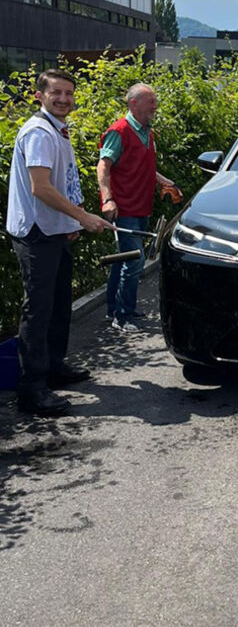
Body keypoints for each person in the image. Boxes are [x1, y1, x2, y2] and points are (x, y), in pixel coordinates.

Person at [5, 69, 113, 415]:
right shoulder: (39, 132)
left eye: (69, 92)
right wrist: (83, 217)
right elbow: (41, 188)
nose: (64, 99)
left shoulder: (57, 129)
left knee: (58, 303)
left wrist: (69, 222)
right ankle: (32, 389)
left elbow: (61, 184)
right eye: (56, 93)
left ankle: (53, 366)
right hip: (36, 233)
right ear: (40, 96)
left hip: (54, 230)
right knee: (38, 310)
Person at [97, 83, 182, 332]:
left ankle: (115, 308)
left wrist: (164, 181)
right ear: (133, 103)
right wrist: (107, 199)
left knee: (123, 260)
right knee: (135, 261)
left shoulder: (147, 132)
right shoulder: (119, 131)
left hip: (141, 206)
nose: (155, 106)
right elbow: (103, 166)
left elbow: (143, 165)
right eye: (150, 101)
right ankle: (122, 317)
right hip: (124, 208)